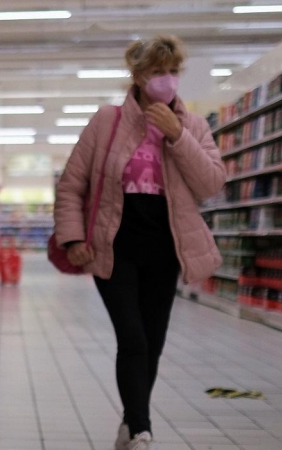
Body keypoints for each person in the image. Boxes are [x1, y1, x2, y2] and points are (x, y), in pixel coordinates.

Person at [53, 35, 225, 450]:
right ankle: (143, 431)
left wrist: (178, 136)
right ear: (138, 76)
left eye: (172, 72)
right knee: (132, 337)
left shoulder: (195, 126)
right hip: (114, 243)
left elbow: (211, 185)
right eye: (156, 72)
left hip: (165, 246)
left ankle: (131, 424)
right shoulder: (107, 121)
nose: (165, 80)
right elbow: (72, 184)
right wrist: (73, 236)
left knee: (153, 340)